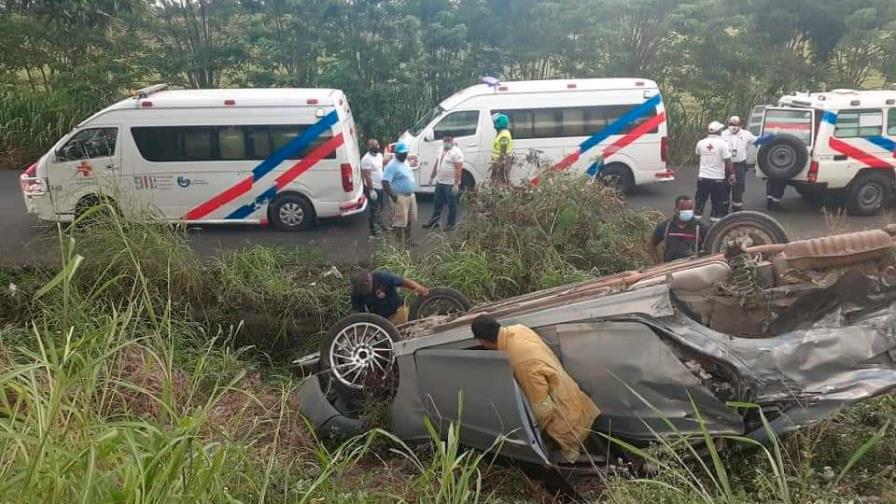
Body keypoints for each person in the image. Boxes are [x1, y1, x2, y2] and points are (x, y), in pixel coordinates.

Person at [471, 315, 600, 463]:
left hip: (567, 422)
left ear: (482, 341)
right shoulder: (519, 329)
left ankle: (577, 462)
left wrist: (533, 431)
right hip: (574, 396)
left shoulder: (520, 362)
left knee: (568, 457)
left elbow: (543, 408)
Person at [350, 269, 429, 325]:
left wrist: (419, 288)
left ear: (369, 277)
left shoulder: (381, 277)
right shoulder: (355, 294)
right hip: (381, 321)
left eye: (366, 286)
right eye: (361, 288)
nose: (365, 290)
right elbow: (356, 314)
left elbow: (404, 282)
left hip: (398, 311)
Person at [650, 195, 711, 262]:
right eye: (683, 209)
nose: (687, 212)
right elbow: (652, 244)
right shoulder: (665, 226)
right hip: (670, 267)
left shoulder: (701, 227)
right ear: (675, 209)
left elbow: (712, 247)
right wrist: (658, 264)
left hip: (692, 267)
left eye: (690, 209)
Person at [694, 121, 734, 222]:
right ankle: (713, 226)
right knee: (717, 204)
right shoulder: (723, 144)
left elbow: (698, 153)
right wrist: (732, 174)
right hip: (718, 180)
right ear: (719, 131)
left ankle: (695, 225)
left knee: (699, 202)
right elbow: (728, 161)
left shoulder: (701, 143)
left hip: (702, 178)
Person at [423, 135, 464, 230]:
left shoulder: (457, 152)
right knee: (437, 202)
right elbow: (437, 164)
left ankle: (451, 224)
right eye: (445, 140)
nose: (446, 142)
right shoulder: (441, 149)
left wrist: (456, 184)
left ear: (453, 140)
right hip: (440, 182)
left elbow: (459, 169)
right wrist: (431, 177)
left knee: (451, 204)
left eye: (448, 140)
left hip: (450, 184)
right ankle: (434, 222)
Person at [382, 141, 418, 243]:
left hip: (410, 196)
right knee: (399, 223)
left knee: (410, 221)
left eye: (405, 153)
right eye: (402, 153)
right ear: (397, 153)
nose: (404, 155)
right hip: (400, 197)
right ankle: (398, 245)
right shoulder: (392, 165)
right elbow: (385, 182)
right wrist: (393, 196)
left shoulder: (404, 161)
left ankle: (408, 241)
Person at [720, 116, 756, 213]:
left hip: (739, 166)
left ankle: (737, 213)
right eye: (730, 124)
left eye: (735, 125)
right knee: (724, 189)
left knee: (738, 189)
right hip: (725, 166)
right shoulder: (722, 134)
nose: (732, 127)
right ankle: (723, 213)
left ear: (741, 125)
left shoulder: (746, 134)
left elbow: (757, 141)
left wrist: (770, 138)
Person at [361, 138, 385, 237]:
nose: (376, 147)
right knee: (373, 209)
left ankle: (380, 223)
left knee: (381, 206)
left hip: (381, 186)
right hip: (373, 187)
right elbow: (367, 176)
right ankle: (373, 229)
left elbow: (381, 168)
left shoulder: (380, 155)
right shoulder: (366, 159)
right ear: (369, 147)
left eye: (377, 145)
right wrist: (371, 190)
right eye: (374, 146)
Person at [490, 113, 513, 185]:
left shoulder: (504, 135)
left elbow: (503, 152)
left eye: (494, 122)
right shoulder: (501, 133)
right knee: (496, 180)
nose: (493, 125)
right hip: (498, 161)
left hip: (502, 162)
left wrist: (498, 165)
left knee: (502, 180)